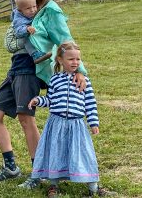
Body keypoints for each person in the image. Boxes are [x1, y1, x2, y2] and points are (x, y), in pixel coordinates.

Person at [0, 0, 87, 183]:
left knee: (26, 118)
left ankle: (39, 172)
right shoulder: (24, 9)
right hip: (16, 67)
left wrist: (79, 71)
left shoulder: (51, 11)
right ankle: (11, 166)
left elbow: (65, 40)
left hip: (32, 69)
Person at [25, 41, 113, 197]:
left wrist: (93, 123)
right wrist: (38, 100)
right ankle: (53, 185)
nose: (75, 62)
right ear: (60, 60)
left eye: (78, 59)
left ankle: (93, 187)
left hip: (77, 125)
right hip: (56, 124)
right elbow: (50, 100)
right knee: (56, 153)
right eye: (71, 59)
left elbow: (90, 104)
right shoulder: (54, 79)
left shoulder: (84, 81)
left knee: (83, 154)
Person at [12, 0, 52, 64]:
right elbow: (18, 32)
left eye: (34, 6)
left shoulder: (31, 13)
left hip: (36, 35)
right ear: (20, 10)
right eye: (28, 8)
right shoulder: (19, 19)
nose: (32, 10)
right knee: (26, 39)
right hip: (26, 38)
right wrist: (26, 29)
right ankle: (35, 55)